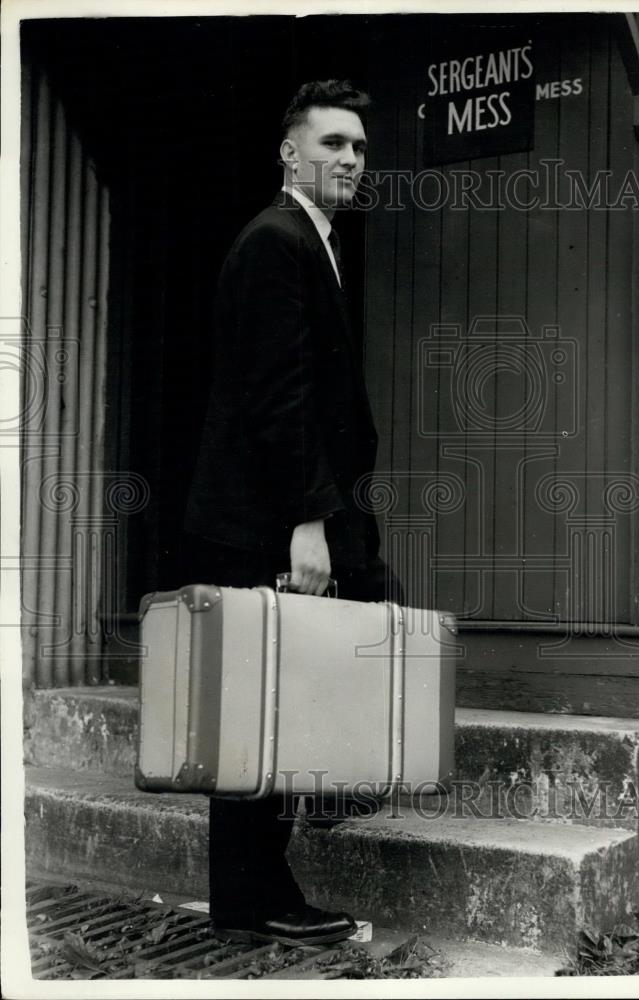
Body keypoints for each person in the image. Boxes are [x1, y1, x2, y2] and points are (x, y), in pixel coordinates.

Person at [183, 79, 402, 947]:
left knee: (287, 696)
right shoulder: (276, 242)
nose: (349, 159)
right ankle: (254, 900)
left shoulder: (311, 240)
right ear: (289, 152)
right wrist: (308, 525)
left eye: (356, 147)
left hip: (297, 511)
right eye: (331, 144)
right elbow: (277, 399)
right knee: (257, 712)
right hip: (267, 521)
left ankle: (260, 887)